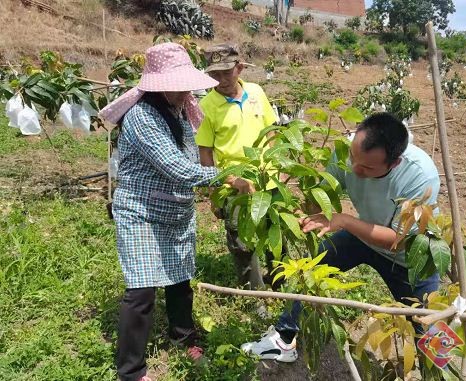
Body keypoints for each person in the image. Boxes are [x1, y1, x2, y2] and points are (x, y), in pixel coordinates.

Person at [99, 42, 252, 381]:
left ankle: (184, 337)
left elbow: (190, 156)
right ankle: (132, 370)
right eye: (179, 84)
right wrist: (226, 177)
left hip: (175, 211)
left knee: (180, 280)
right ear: (160, 85)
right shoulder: (141, 116)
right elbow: (177, 167)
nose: (186, 90)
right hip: (142, 211)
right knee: (141, 290)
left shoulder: (180, 109)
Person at [240, 112, 441, 362]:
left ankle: (437, 371)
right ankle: (283, 340)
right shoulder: (346, 150)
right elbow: (321, 195)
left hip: (410, 257)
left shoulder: (419, 176)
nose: (354, 169)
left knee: (430, 330)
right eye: (353, 158)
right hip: (363, 236)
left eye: (367, 167)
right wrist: (296, 208)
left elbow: (396, 240)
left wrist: (344, 220)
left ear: (394, 163)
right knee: (309, 269)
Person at [195, 43, 278, 289]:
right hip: (234, 185)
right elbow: (205, 152)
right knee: (242, 242)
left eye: (226, 72)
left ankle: (280, 285)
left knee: (275, 234)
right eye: (214, 74)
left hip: (267, 179)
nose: (220, 79)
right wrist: (217, 190)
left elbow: (271, 132)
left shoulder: (256, 92)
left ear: (239, 68)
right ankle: (256, 295)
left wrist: (278, 169)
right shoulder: (206, 106)